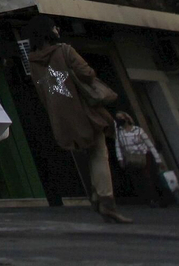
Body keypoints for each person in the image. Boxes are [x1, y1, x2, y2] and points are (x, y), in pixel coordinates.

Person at [24, 15, 131, 223]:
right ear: (50, 30)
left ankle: (95, 195)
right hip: (83, 110)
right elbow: (87, 73)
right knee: (99, 153)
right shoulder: (64, 50)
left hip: (60, 113)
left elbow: (41, 90)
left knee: (85, 153)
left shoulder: (32, 60)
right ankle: (106, 201)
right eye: (54, 27)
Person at [113, 111, 170, 208]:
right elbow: (118, 146)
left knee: (150, 177)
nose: (119, 120)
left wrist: (158, 159)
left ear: (126, 118)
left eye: (120, 117)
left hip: (144, 155)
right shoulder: (119, 133)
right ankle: (148, 199)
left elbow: (149, 145)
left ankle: (159, 199)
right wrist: (120, 158)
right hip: (131, 157)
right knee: (138, 179)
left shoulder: (138, 130)